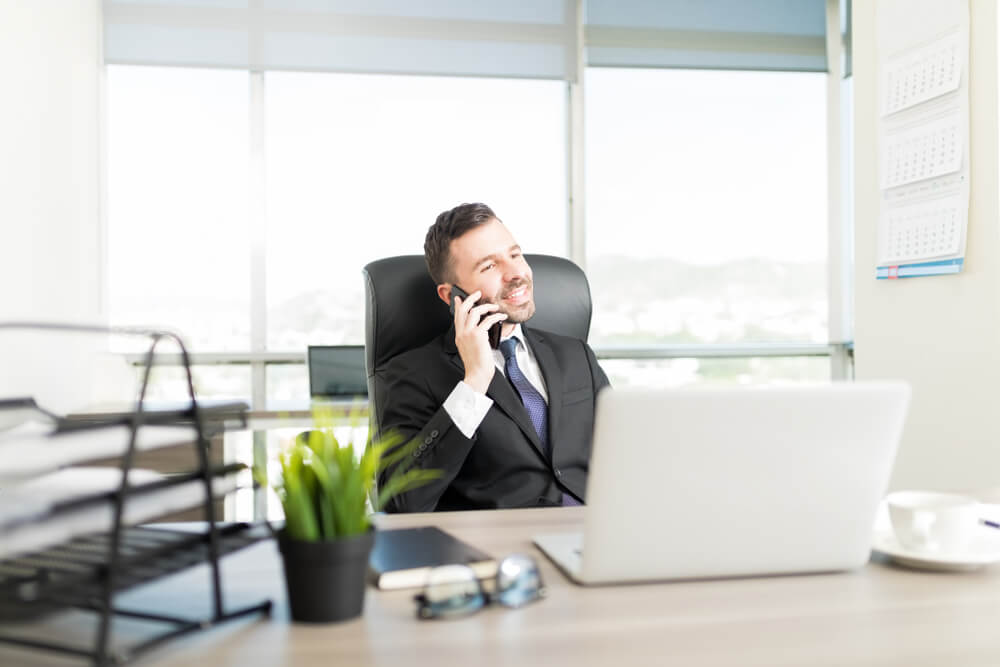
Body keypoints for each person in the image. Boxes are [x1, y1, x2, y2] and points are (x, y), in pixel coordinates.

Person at [377, 203, 610, 512]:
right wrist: (474, 381)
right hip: (502, 548)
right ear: (451, 296)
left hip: (595, 536)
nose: (515, 274)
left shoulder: (574, 354)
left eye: (515, 255)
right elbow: (400, 502)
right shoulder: (414, 373)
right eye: (489, 266)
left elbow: (623, 453)